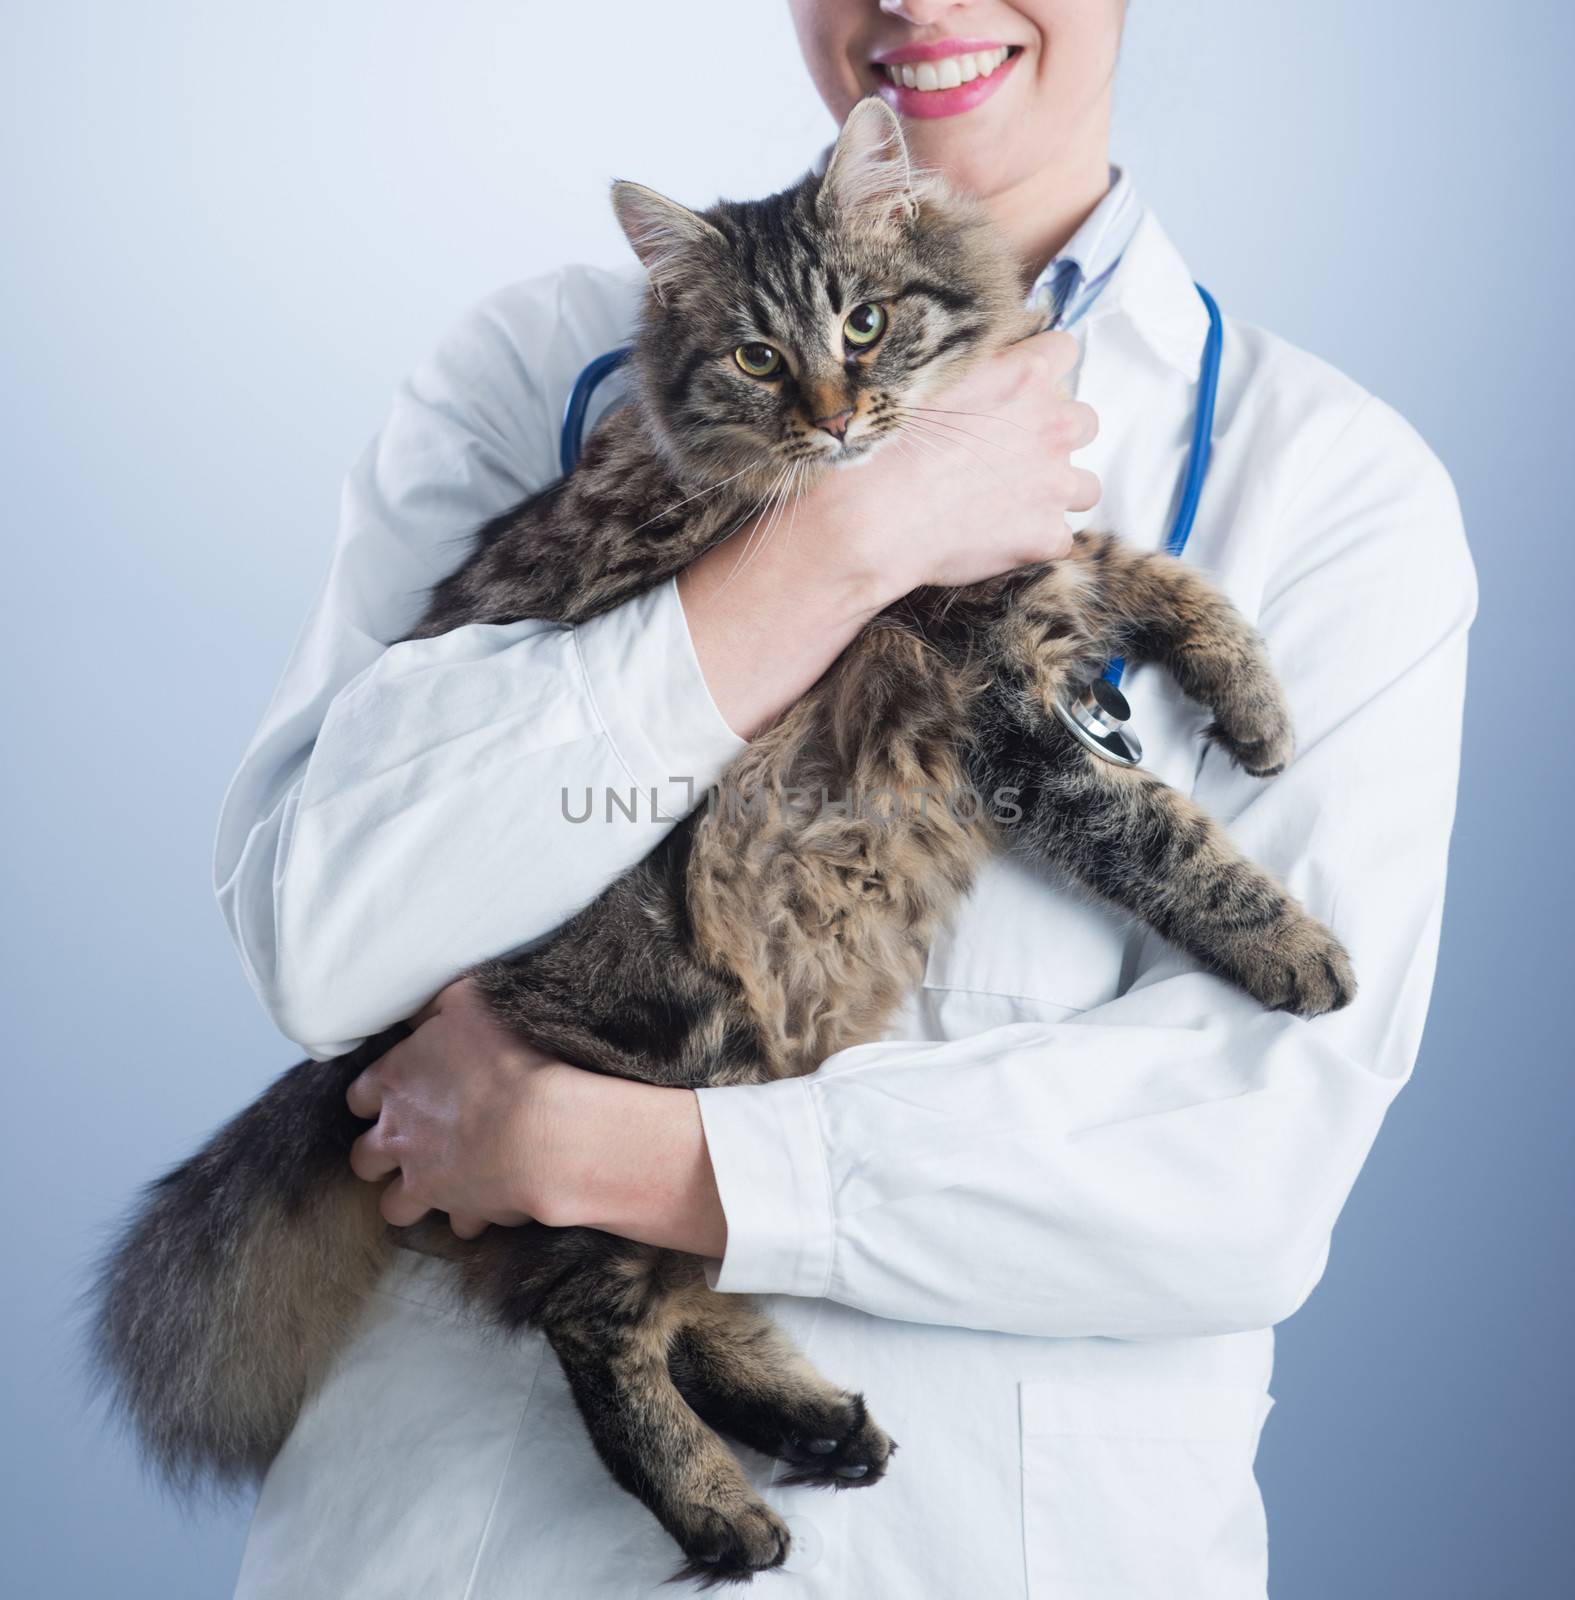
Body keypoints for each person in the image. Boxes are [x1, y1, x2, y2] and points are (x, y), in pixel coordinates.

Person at [217, 2, 1475, 1595]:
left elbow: (1245, 1163)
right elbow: (320, 934)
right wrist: (835, 548)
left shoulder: (1339, 486)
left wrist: (599, 1150)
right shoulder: (526, 370)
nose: (920, 3)